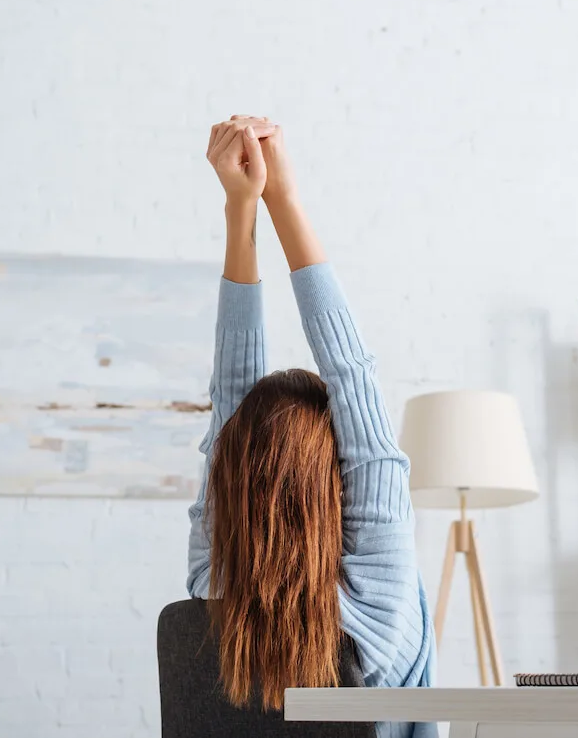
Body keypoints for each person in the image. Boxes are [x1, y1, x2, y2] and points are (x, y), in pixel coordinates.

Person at [186, 116, 436, 738]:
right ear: (339, 472)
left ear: (230, 477)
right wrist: (283, 201)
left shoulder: (210, 591)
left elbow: (231, 405)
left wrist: (239, 208)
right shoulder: (377, 607)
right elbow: (354, 382)